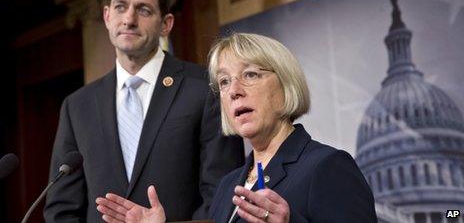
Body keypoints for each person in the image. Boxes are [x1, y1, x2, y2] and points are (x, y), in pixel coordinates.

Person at [95, 33, 378, 222]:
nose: (234, 91)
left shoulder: (327, 167)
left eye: (250, 74)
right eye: (224, 82)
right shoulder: (229, 185)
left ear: (286, 84)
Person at [44, 0, 244, 222]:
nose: (128, 19)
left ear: (166, 24)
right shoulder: (77, 106)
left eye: (143, 10)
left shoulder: (205, 88)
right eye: (120, 7)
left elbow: (221, 196)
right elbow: (61, 210)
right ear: (106, 16)